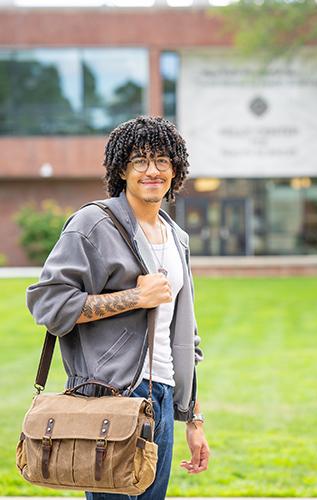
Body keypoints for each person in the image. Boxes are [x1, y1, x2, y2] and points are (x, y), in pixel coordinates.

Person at [27, 115, 210, 500]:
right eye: (139, 161)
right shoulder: (94, 224)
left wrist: (193, 415)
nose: (151, 171)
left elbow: (185, 336)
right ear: (121, 169)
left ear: (175, 169)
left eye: (162, 160)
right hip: (110, 396)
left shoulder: (176, 237)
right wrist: (134, 298)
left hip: (161, 396)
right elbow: (48, 303)